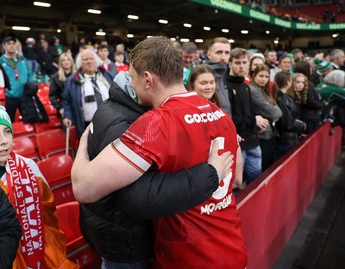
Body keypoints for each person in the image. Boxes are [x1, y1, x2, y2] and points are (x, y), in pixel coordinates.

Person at [72, 36, 247, 268]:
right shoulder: (221, 114)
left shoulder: (157, 123)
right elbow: (236, 179)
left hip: (189, 257)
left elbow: (83, 188)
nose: (130, 85)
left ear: (147, 79)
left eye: (132, 78)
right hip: (232, 249)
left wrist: (83, 148)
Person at [0, 102, 79, 269]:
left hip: (37, 256)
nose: (4, 141)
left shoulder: (29, 168)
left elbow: (47, 218)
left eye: (7, 132)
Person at [226, 47, 268, 186]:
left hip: (253, 141)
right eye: (238, 62)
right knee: (236, 187)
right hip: (237, 145)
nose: (242, 66)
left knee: (256, 184)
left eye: (245, 62)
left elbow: (248, 113)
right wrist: (254, 120)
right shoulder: (224, 86)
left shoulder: (246, 86)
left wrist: (257, 121)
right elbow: (228, 119)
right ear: (230, 63)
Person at [63, 48, 113, 136]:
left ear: (96, 61)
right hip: (88, 126)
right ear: (80, 63)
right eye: (85, 59)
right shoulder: (72, 81)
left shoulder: (107, 75)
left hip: (110, 122)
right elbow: (66, 101)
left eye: (91, 58)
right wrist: (67, 116)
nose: (89, 62)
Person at [248, 64, 282, 171]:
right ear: (254, 75)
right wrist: (273, 108)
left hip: (267, 133)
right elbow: (275, 113)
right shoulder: (252, 90)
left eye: (267, 77)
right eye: (261, 76)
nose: (264, 79)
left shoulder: (261, 90)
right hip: (261, 135)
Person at [0, 34, 34, 122]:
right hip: (9, 97)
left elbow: (30, 74)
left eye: (13, 43)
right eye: (8, 43)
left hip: (24, 96)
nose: (11, 46)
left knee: (29, 121)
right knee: (9, 122)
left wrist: (31, 86)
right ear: (4, 46)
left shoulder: (23, 60)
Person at [274, 71, 307, 158]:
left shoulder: (285, 97)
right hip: (286, 139)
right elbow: (287, 122)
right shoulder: (282, 99)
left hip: (289, 137)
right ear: (288, 82)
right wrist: (301, 125)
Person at [293, 61, 325, 133]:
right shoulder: (308, 85)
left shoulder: (307, 83)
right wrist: (323, 104)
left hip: (307, 116)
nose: (312, 70)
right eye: (310, 68)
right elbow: (311, 102)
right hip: (309, 116)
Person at [205, 37, 232, 116]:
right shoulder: (201, 75)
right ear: (209, 54)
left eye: (227, 53)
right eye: (219, 52)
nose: (223, 57)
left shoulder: (227, 74)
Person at [49, 52, 77, 119]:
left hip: (78, 108)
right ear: (60, 63)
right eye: (63, 60)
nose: (66, 62)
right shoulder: (56, 77)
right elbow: (52, 96)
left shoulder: (78, 75)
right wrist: (60, 108)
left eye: (68, 59)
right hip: (65, 108)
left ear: (71, 61)